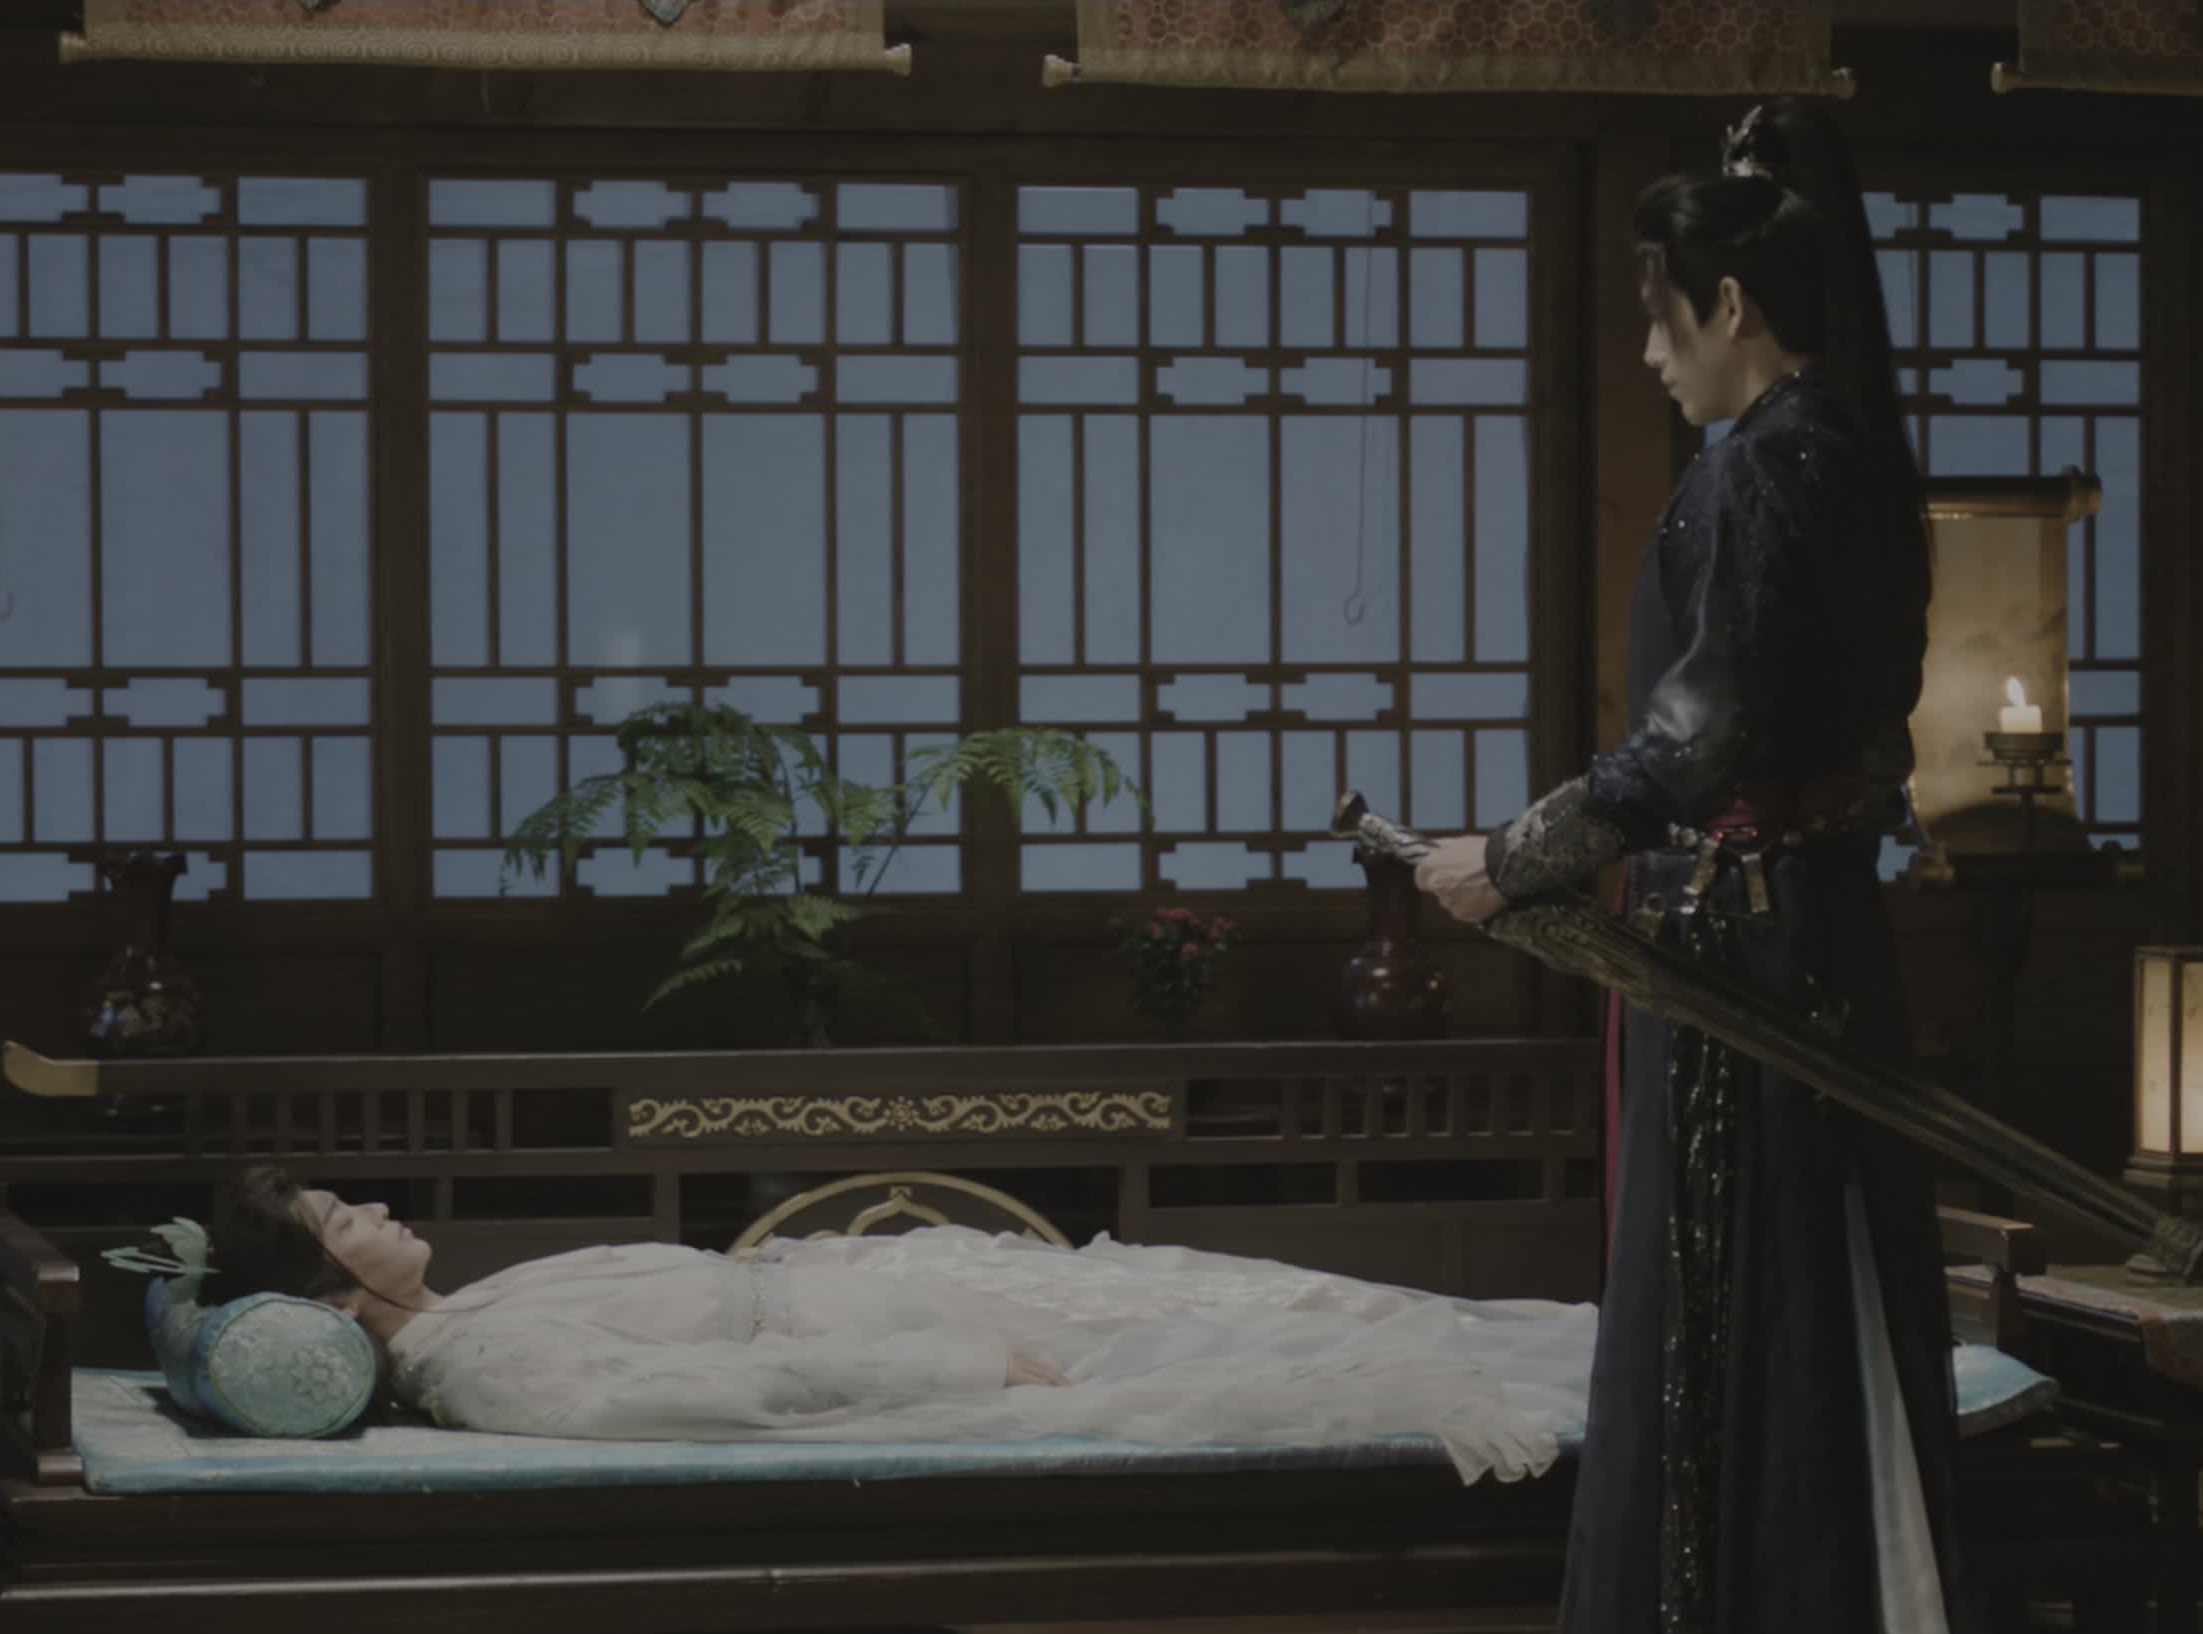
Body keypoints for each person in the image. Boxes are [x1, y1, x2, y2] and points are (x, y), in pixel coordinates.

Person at [1410, 98, 1968, 1634]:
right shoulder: (1855, 461)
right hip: (1821, 927)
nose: (1652, 355)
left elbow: (1696, 739)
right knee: (1822, 1281)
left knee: (1745, 1297)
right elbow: (1864, 739)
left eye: (1663, 320)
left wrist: (1508, 857)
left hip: (1743, 955)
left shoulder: (1764, 468)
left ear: (1730, 306)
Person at [206, 1163, 1593, 1482]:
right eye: (341, 1215)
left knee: (1262, 1286)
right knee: (1267, 1331)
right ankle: (1623, 1383)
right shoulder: (476, 1357)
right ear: (332, 1289)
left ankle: (1613, 1347)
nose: (373, 1206)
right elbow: (688, 1399)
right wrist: (963, 1362)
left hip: (910, 1273)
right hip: (917, 1319)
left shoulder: (463, 1304)